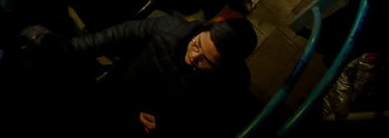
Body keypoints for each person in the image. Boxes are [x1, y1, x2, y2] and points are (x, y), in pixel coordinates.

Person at [70, 15, 258, 137]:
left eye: (206, 61)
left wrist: (168, 128)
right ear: (203, 30)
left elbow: (210, 126)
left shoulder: (233, 85)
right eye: (197, 45)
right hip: (115, 96)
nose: (194, 57)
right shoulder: (168, 29)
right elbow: (113, 36)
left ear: (222, 68)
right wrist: (65, 49)